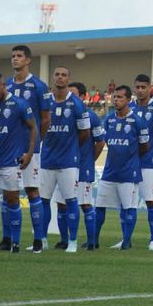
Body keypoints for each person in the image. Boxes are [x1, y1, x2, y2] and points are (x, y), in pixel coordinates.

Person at [0, 70, 36, 253]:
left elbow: (33, 127)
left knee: (12, 200)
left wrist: (29, 153)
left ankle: (15, 243)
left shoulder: (19, 104)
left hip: (10, 163)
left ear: (3, 85)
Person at [39, 67, 90, 253]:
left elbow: (84, 133)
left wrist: (70, 147)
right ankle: (42, 239)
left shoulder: (77, 104)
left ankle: (73, 241)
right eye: (57, 75)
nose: (60, 77)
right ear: (53, 78)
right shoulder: (45, 101)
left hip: (68, 161)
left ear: (68, 79)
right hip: (47, 159)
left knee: (70, 201)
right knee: (44, 201)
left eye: (64, 75)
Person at [7, 45, 50, 252]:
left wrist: (35, 144)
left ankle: (38, 240)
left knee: (32, 191)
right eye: (13, 56)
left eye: (19, 56)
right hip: (8, 149)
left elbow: (45, 119)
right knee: (9, 193)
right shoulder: (7, 85)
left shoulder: (39, 86)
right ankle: (8, 239)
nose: (15, 59)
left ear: (28, 60)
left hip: (30, 149)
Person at [95, 86, 148, 250]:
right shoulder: (109, 119)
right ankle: (93, 240)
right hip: (109, 172)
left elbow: (144, 147)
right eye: (114, 97)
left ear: (128, 100)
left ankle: (126, 242)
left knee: (129, 207)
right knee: (99, 206)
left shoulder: (138, 121)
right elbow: (106, 141)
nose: (116, 100)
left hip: (128, 173)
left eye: (120, 97)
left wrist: (130, 159)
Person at [61, 83, 105, 250]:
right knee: (62, 204)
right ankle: (64, 241)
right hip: (64, 165)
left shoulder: (91, 116)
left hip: (82, 167)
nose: (70, 98)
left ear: (82, 97)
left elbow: (100, 142)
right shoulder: (63, 113)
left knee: (85, 204)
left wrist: (89, 160)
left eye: (73, 95)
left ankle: (91, 242)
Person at [132, 74, 153, 250]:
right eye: (137, 87)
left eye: (143, 87)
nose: (140, 90)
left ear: (149, 89)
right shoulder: (129, 107)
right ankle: (125, 239)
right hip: (130, 163)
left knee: (151, 201)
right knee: (128, 203)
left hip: (149, 163)